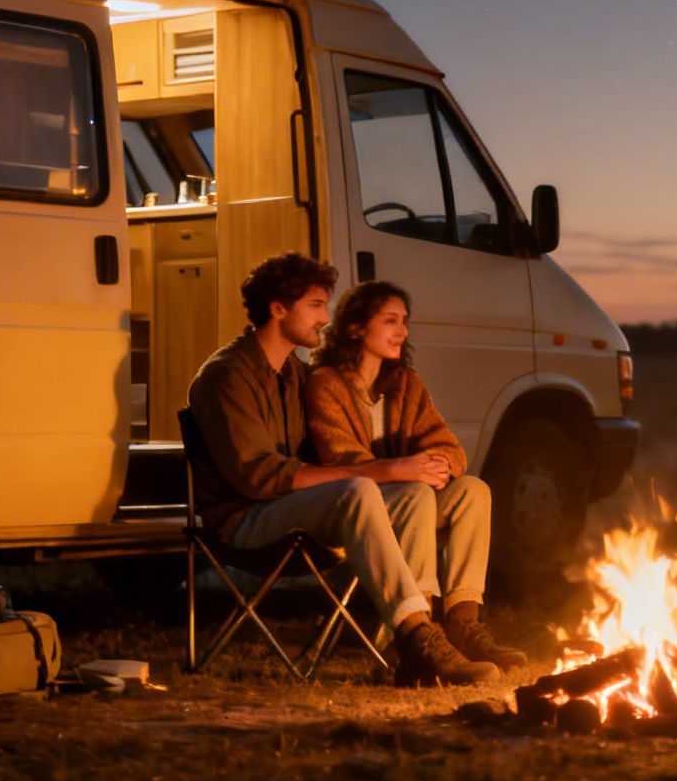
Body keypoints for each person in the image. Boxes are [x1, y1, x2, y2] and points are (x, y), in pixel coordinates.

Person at [185, 253, 501, 686]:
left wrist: (413, 469)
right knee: (360, 489)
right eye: (315, 305)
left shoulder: (295, 374)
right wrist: (389, 468)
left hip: (295, 509)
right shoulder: (228, 375)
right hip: (245, 520)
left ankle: (425, 641)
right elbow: (259, 477)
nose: (324, 318)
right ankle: (417, 636)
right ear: (279, 309)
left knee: (424, 493)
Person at [304, 280, 527, 671]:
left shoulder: (405, 384)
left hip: (409, 499)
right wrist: (404, 472)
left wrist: (435, 466)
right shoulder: (325, 384)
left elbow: (449, 447)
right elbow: (338, 455)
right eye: (391, 321)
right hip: (356, 508)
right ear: (356, 327)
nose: (402, 332)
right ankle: (419, 629)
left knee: (473, 490)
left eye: (404, 322)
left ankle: (462, 622)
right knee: (417, 495)